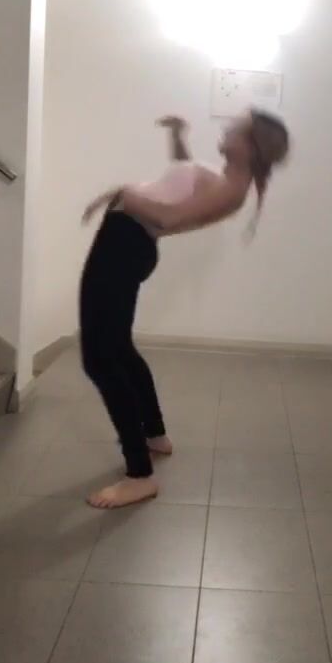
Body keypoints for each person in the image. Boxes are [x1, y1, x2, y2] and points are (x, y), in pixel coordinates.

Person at [80, 110, 290, 509]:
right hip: (126, 243)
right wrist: (178, 136)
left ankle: (139, 475)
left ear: (251, 147)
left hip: (123, 247)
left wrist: (123, 194)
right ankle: (155, 435)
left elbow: (167, 216)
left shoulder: (232, 190)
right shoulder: (226, 179)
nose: (226, 128)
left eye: (235, 128)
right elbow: (181, 183)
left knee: (100, 360)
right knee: (119, 349)